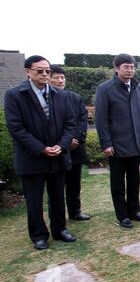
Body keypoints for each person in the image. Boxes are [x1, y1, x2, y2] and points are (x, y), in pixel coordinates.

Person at [4, 55, 77, 250]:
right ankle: (39, 235)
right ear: (28, 71)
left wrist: (61, 146)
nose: (45, 74)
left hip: (58, 156)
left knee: (57, 197)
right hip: (32, 158)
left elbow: (70, 124)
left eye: (47, 71)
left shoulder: (60, 95)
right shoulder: (14, 96)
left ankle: (60, 229)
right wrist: (41, 148)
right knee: (35, 200)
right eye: (40, 70)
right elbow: (16, 128)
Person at [95, 54, 140, 228]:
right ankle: (122, 215)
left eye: (132, 67)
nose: (130, 70)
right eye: (126, 67)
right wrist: (106, 143)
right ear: (116, 69)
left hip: (135, 142)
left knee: (135, 180)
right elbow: (101, 118)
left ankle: (134, 211)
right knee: (118, 182)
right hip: (117, 145)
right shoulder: (105, 89)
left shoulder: (137, 87)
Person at [49, 64, 90, 221]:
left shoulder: (75, 98)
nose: (60, 81)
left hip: (75, 148)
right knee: (57, 187)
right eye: (56, 78)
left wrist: (77, 139)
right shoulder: (47, 99)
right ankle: (57, 217)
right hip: (58, 149)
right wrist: (64, 142)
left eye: (62, 77)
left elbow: (82, 119)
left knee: (74, 183)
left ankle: (75, 211)